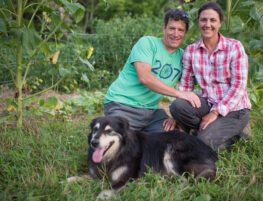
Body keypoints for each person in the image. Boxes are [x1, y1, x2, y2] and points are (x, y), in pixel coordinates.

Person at [170, 2, 251, 152]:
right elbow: (186, 85)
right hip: (208, 103)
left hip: (235, 109)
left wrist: (216, 112)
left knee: (203, 142)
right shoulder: (191, 51)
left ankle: (235, 137)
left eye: (213, 20)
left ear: (220, 23)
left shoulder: (234, 47)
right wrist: (177, 117)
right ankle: (209, 130)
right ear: (198, 22)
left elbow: (239, 85)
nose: (208, 24)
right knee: (177, 106)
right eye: (203, 20)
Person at [104, 9, 201, 133]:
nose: (176, 34)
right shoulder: (147, 43)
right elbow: (145, 78)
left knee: (175, 138)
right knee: (116, 142)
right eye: (172, 28)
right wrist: (179, 94)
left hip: (151, 112)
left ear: (185, 33)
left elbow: (188, 86)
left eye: (180, 30)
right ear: (164, 28)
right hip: (122, 104)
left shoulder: (184, 56)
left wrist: (177, 116)